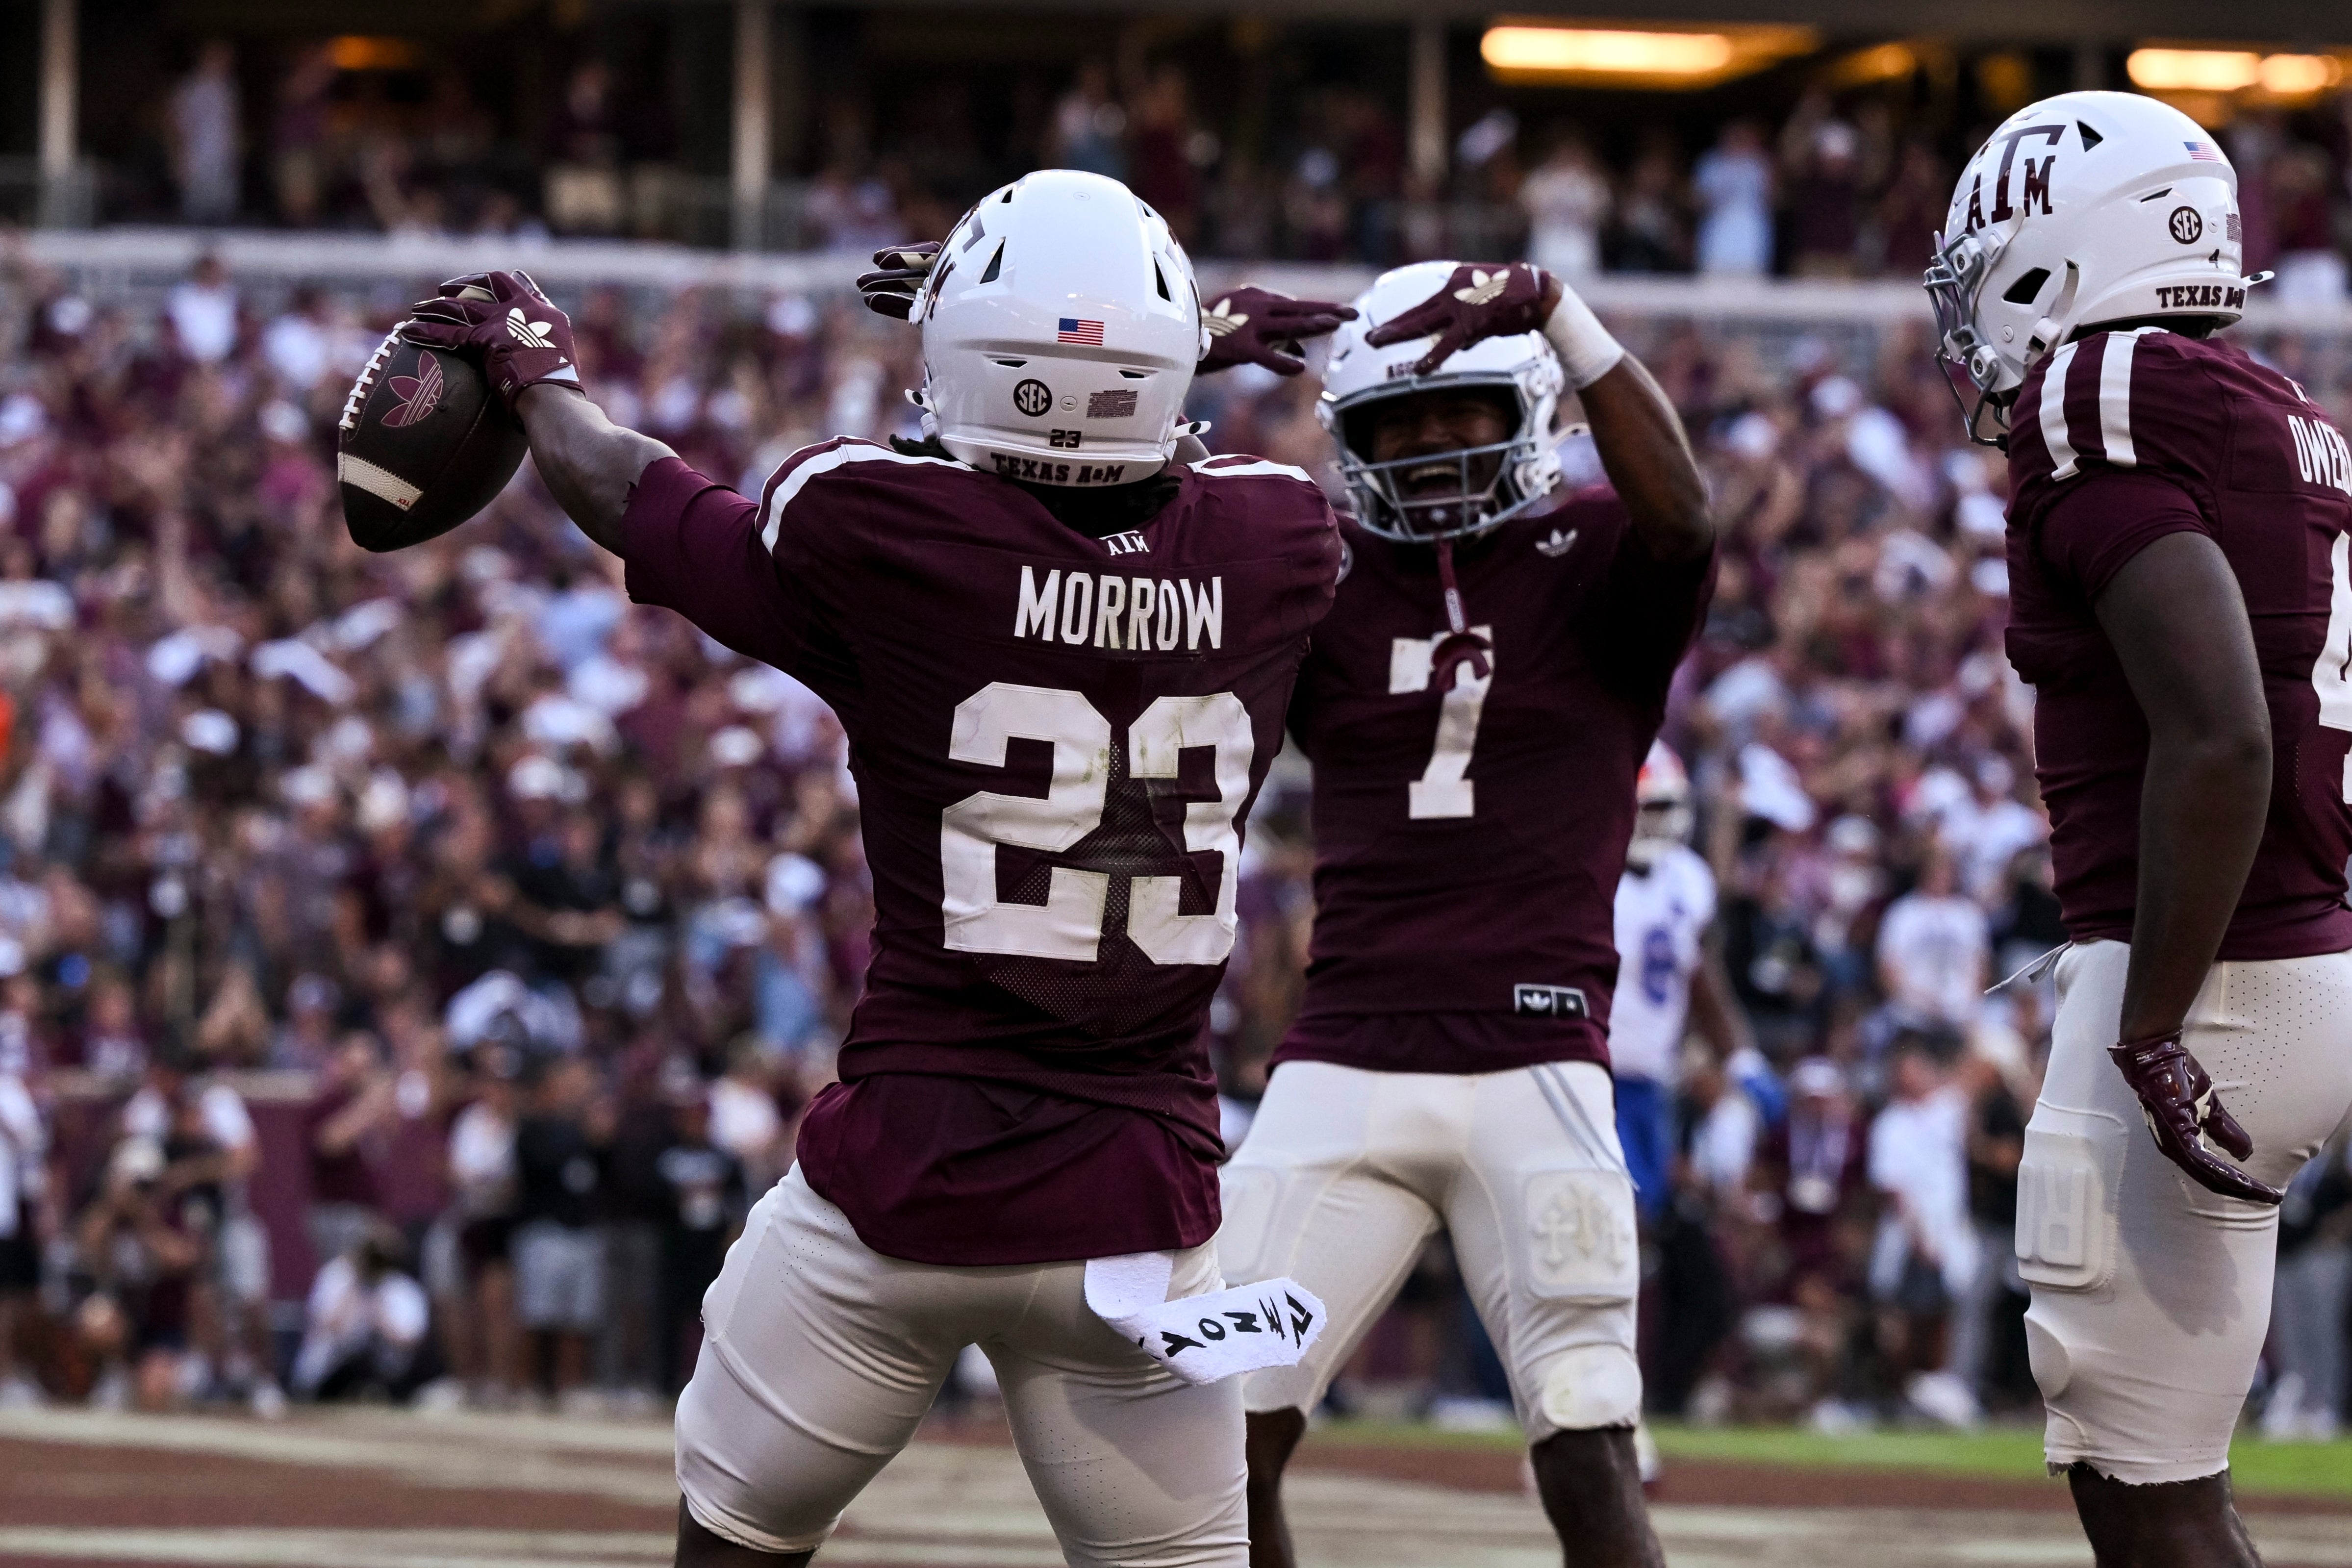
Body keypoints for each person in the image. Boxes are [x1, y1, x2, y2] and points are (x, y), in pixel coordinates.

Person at [404, 168, 1345, 1568]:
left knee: (730, 1542)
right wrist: (1152, 346)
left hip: (901, 1190)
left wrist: (533, 369)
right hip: (1137, 1209)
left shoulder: (878, 527)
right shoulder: (1283, 536)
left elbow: (634, 492)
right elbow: (1144, 484)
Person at [1215, 256, 1713, 1568]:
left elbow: (1688, 523)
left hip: (1536, 1060)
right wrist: (1162, 360)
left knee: (1589, 1445)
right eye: (1397, 425)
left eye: (1463, 415)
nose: (1431, 448)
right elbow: (1149, 550)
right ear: (1350, 443)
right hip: (1346, 1054)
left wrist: (1568, 313)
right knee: (1215, 1424)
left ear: (1535, 412)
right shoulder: (1318, 574)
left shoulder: (1600, 552)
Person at [1926, 89, 2352, 1565]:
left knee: (2140, 1489)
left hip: (2204, 975)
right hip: (2304, 960)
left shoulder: (2094, 388)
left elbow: (2225, 729)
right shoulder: (2284, 415)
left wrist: (2153, 1022)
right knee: (2162, 1475)